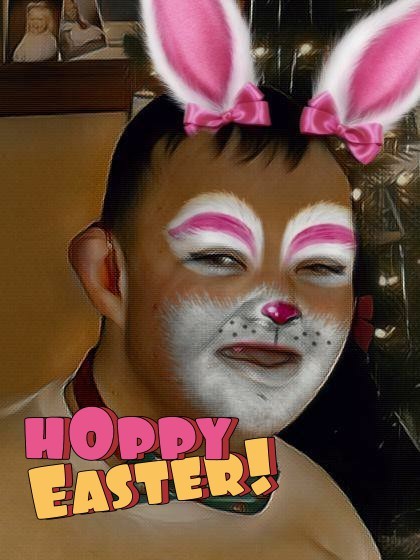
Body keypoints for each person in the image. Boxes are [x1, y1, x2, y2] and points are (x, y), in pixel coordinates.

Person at [1, 0, 419, 557]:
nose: (280, 305)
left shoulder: (329, 526)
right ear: (109, 275)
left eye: (321, 266)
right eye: (220, 257)